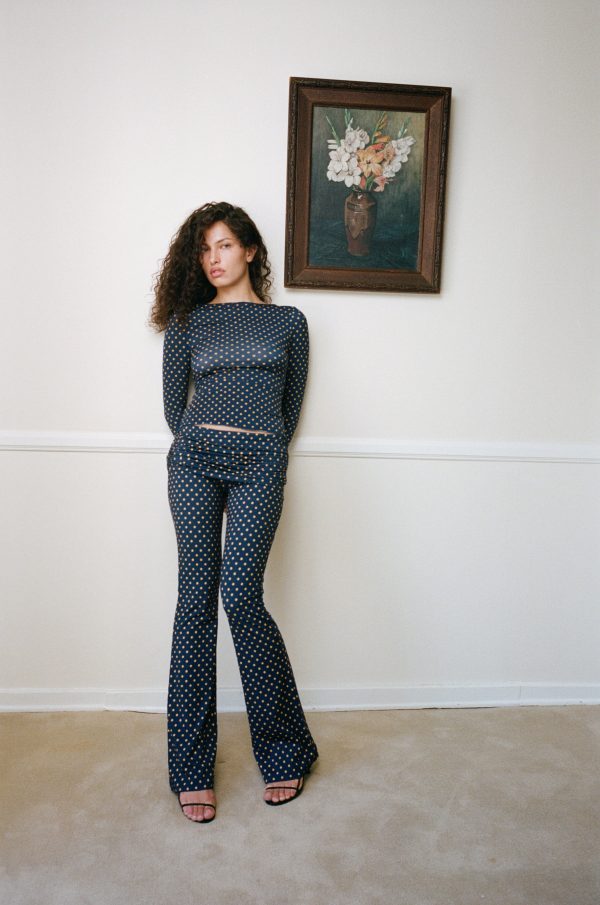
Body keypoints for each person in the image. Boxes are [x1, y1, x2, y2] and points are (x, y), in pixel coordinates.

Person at [149, 201, 319, 823]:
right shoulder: (188, 323)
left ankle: (285, 750)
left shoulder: (289, 322)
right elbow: (174, 408)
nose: (213, 258)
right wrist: (204, 443)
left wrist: (263, 449)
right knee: (195, 601)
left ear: (249, 249)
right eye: (204, 249)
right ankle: (191, 768)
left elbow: (289, 408)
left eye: (224, 245)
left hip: (261, 465)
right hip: (195, 463)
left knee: (242, 596)